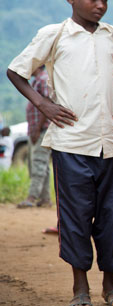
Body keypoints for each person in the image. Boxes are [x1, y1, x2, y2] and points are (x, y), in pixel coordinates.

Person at [6, 0, 113, 306]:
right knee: (76, 215)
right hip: (70, 144)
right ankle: (80, 286)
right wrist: (43, 104)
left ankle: (111, 283)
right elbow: (15, 70)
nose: (100, 5)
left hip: (112, 142)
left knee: (112, 215)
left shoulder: (112, 35)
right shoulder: (55, 34)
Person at [17, 66, 52, 208]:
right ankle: (45, 199)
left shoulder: (43, 79)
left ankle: (32, 197)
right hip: (36, 130)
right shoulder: (37, 81)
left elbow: (47, 103)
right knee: (40, 164)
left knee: (38, 163)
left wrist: (37, 128)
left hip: (41, 129)